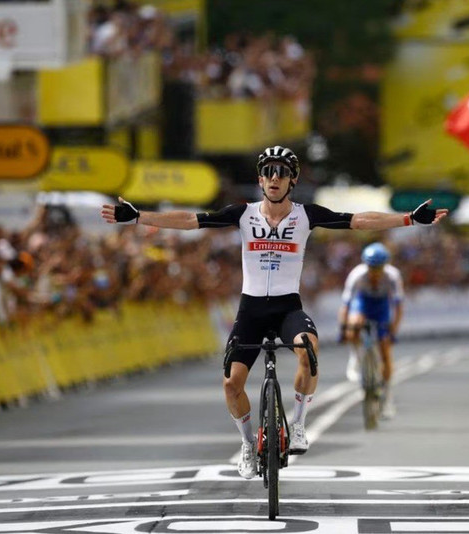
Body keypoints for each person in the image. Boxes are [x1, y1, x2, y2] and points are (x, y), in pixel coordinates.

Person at [101, 145, 448, 479]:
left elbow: (358, 220)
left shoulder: (306, 215)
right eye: (268, 172)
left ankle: (298, 425)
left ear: (292, 180)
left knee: (308, 348)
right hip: (251, 310)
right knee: (230, 383)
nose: (274, 178)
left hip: (287, 308)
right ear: (260, 180)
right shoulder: (243, 214)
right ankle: (248, 445)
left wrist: (408, 219)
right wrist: (138, 216)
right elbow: (190, 220)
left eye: (281, 173)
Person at [338, 242, 404, 418]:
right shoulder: (357, 275)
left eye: (378, 268)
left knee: (385, 351)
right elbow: (345, 305)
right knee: (353, 325)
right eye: (371, 268)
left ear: (385, 266)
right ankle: (356, 358)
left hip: (381, 307)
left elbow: (398, 307)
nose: (374, 272)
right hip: (363, 304)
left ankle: (388, 398)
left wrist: (393, 330)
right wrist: (344, 329)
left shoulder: (393, 276)